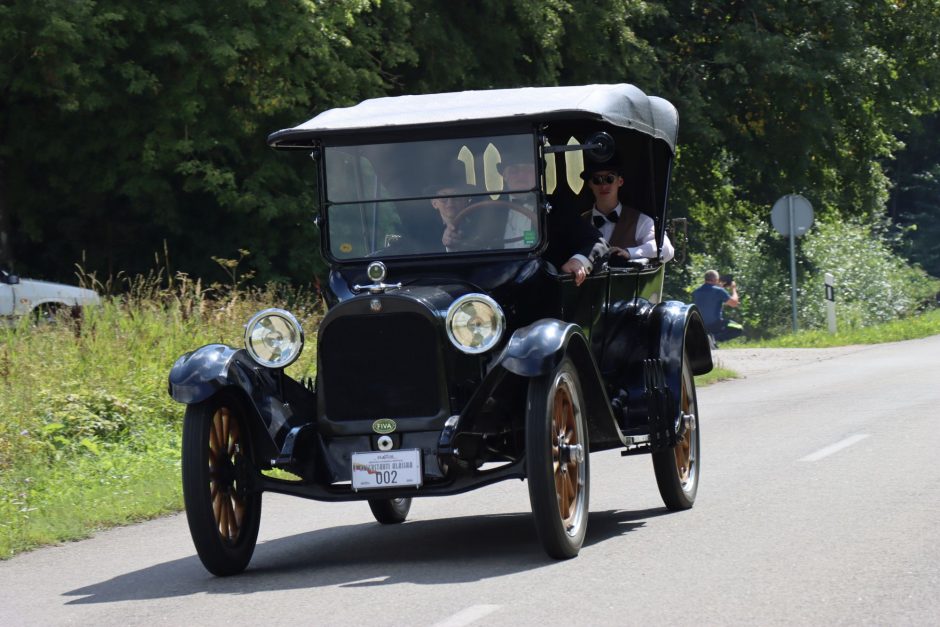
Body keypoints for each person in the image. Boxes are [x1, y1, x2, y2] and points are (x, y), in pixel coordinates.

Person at [581, 158, 674, 263]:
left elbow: (667, 249)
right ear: (590, 184)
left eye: (610, 179)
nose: (604, 185)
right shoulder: (580, 222)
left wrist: (630, 253)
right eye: (597, 180)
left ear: (620, 181)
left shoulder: (640, 220)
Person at [691, 269, 743, 344]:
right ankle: (713, 338)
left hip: (700, 326)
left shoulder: (696, 292)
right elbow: (734, 303)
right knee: (738, 328)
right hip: (715, 325)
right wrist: (733, 289)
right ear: (715, 279)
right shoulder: (719, 291)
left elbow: (708, 303)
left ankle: (708, 338)